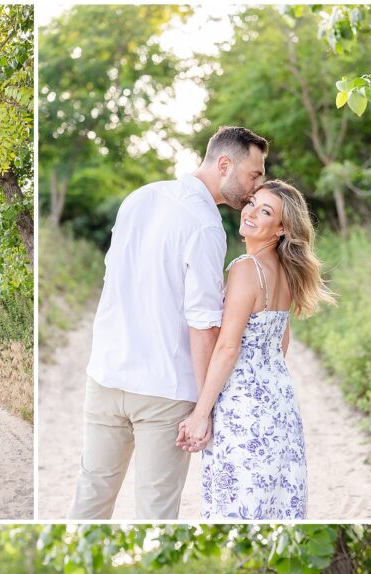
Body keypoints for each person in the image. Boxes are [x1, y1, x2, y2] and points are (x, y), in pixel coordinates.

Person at [69, 125, 268, 520]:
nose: (257, 185)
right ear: (224, 165)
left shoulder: (139, 197)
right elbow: (203, 324)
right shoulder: (206, 225)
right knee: (156, 513)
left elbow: (114, 280)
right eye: (255, 173)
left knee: (90, 498)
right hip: (165, 390)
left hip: (106, 375)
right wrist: (203, 409)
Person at [177, 180, 335, 520]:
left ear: (280, 228)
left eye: (265, 211)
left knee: (238, 502)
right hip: (279, 402)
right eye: (251, 203)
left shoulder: (246, 268)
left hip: (243, 406)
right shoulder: (285, 272)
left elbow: (228, 347)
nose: (249, 212)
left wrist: (200, 413)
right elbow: (282, 343)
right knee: (274, 499)